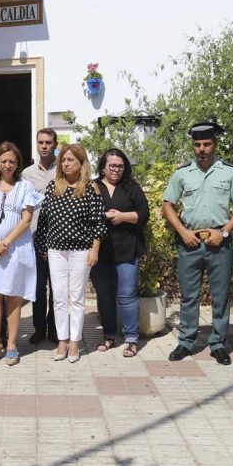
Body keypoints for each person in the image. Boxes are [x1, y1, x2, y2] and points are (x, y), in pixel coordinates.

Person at [163, 122, 233, 365]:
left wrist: (226, 232)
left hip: (219, 242)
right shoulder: (182, 173)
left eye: (206, 144)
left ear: (215, 144)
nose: (202, 149)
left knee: (220, 296)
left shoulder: (230, 172)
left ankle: (218, 343)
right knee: (189, 297)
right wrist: (183, 231)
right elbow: (168, 205)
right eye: (197, 145)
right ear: (193, 146)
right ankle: (186, 342)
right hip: (190, 243)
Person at [35, 144, 106, 363]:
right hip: (56, 250)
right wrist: (42, 246)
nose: (65, 163)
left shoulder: (91, 188)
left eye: (70, 160)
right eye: (63, 160)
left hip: (81, 251)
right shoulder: (53, 186)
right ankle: (62, 341)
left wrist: (95, 250)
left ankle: (75, 342)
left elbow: (98, 222)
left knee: (76, 298)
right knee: (58, 297)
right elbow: (44, 220)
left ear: (81, 163)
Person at [0, 142, 42, 365]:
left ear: (18, 163)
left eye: (12, 161)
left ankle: (12, 344)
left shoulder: (25, 187)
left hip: (16, 249)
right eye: (4, 161)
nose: (8, 165)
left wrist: (6, 242)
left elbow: (27, 219)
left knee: (13, 296)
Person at [89, 149, 149, 357]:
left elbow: (144, 214)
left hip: (127, 249)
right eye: (112, 165)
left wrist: (123, 216)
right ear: (103, 167)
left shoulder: (131, 187)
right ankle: (109, 335)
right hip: (100, 251)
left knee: (127, 296)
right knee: (105, 296)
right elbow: (85, 213)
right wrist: (103, 215)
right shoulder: (93, 186)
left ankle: (131, 339)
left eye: (120, 166)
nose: (116, 169)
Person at [22, 128, 58, 344]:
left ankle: (54, 328)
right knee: (37, 287)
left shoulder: (62, 171)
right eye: (41, 142)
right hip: (34, 237)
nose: (44, 146)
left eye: (48, 142)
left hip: (59, 238)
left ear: (55, 144)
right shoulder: (27, 174)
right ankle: (38, 329)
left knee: (57, 287)